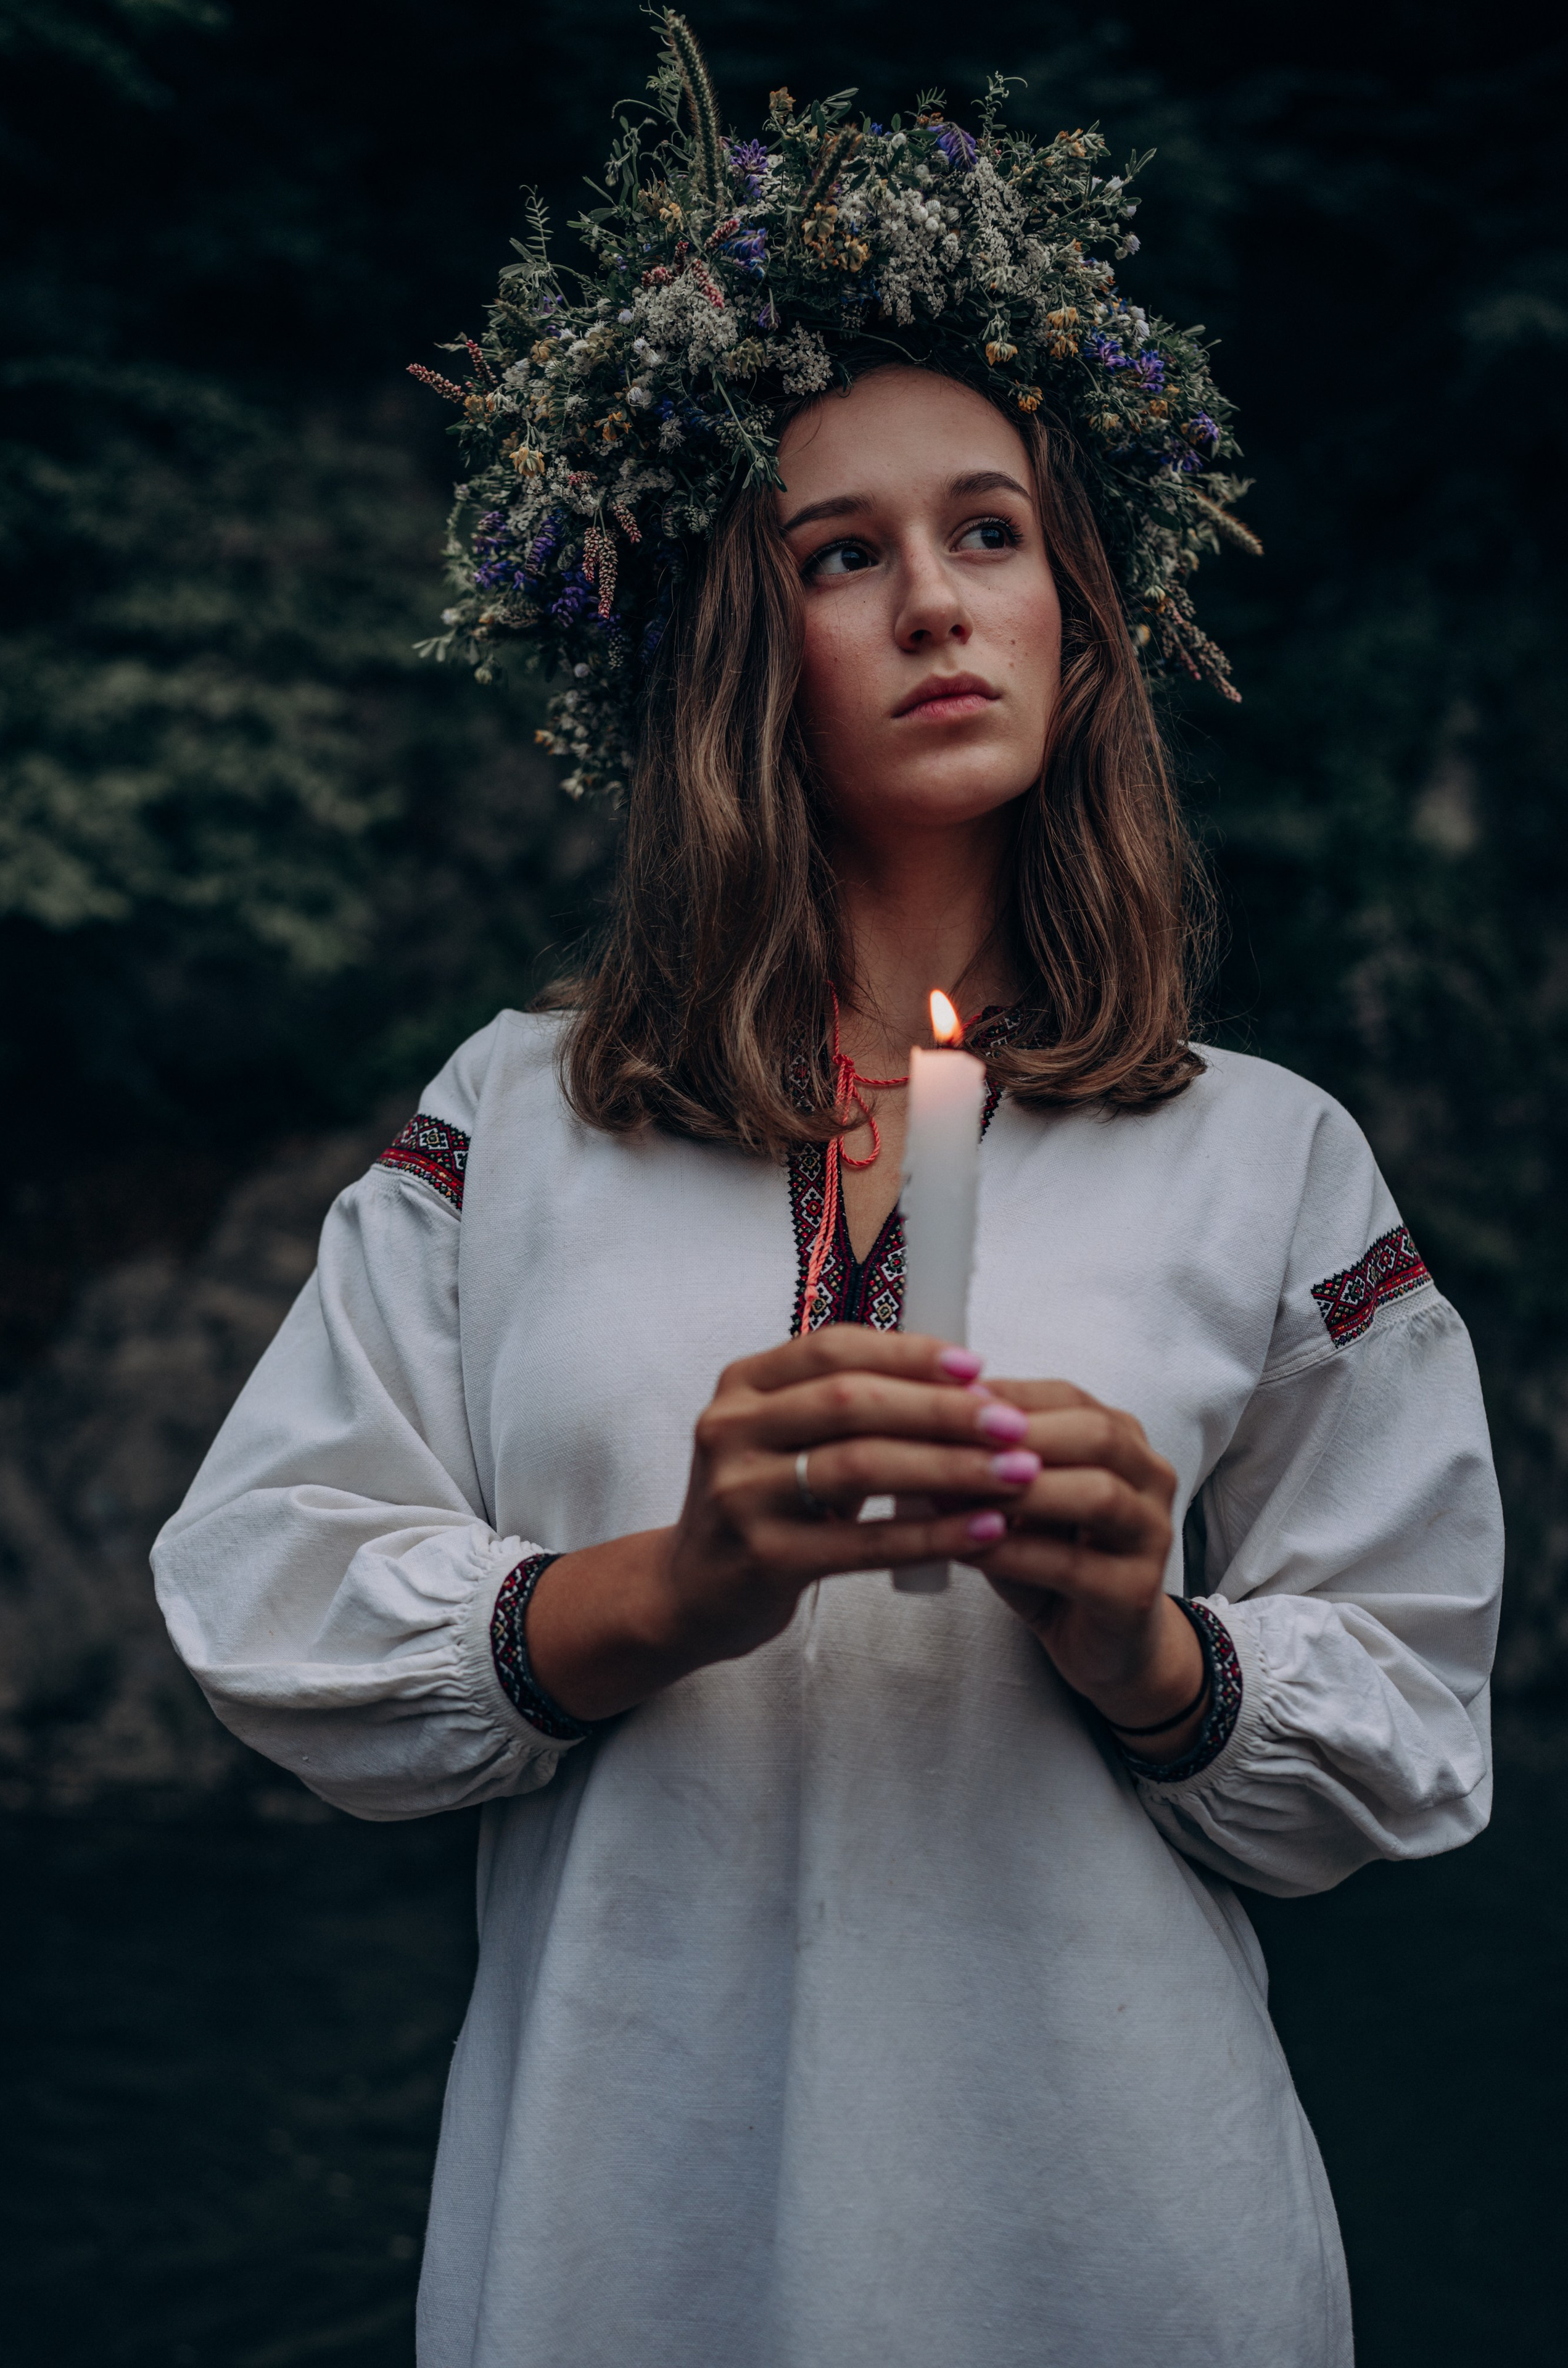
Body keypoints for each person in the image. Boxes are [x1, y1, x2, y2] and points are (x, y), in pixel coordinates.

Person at [154, 32, 1501, 2368]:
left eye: (989, 532)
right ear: (730, 652)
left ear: (1079, 610)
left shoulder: (1262, 1149)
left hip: (1123, 2247)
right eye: (840, 556)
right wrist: (668, 1589)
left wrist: (1141, 1643)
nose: (935, 604)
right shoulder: (522, 1121)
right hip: (628, 2235)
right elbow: (269, 1599)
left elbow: (1410, 1707)